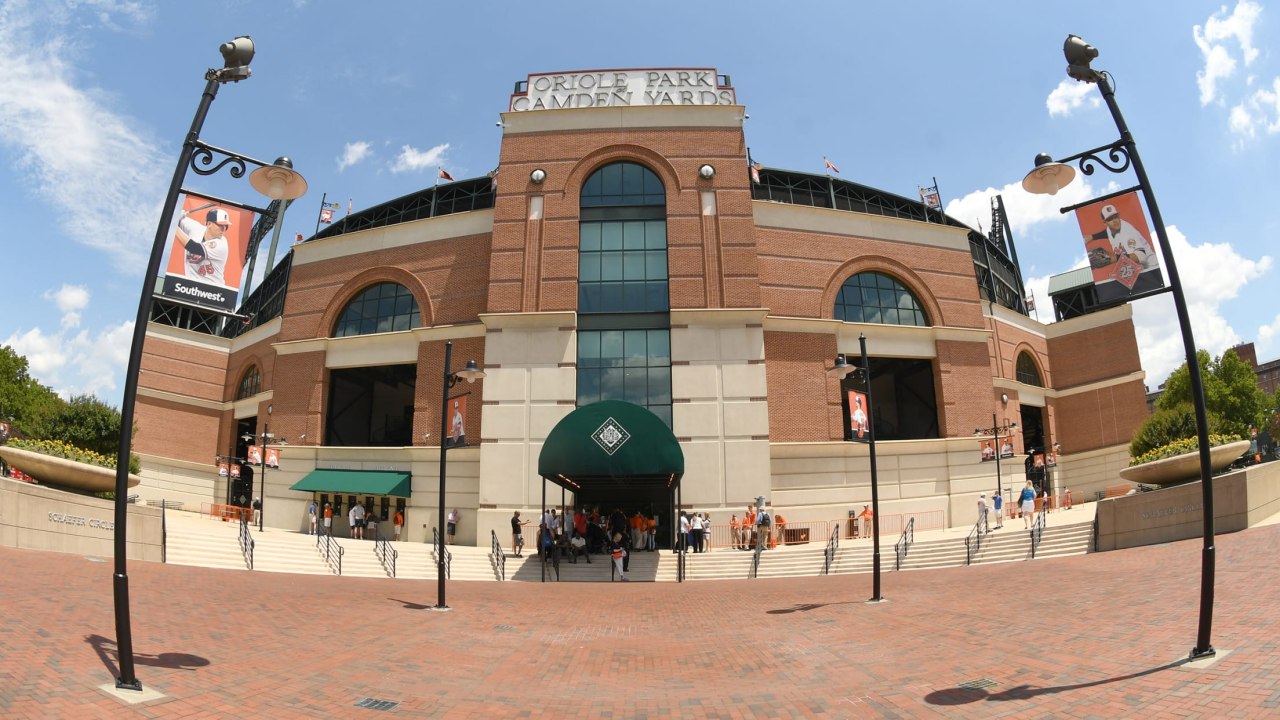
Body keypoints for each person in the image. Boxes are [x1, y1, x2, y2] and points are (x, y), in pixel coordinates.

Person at [175, 207, 232, 285]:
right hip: (190, 287)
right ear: (209, 224)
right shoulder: (196, 228)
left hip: (213, 291)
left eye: (226, 226)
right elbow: (175, 214)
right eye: (221, 225)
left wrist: (173, 224)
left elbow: (194, 248)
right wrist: (177, 214)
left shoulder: (222, 244)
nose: (223, 229)